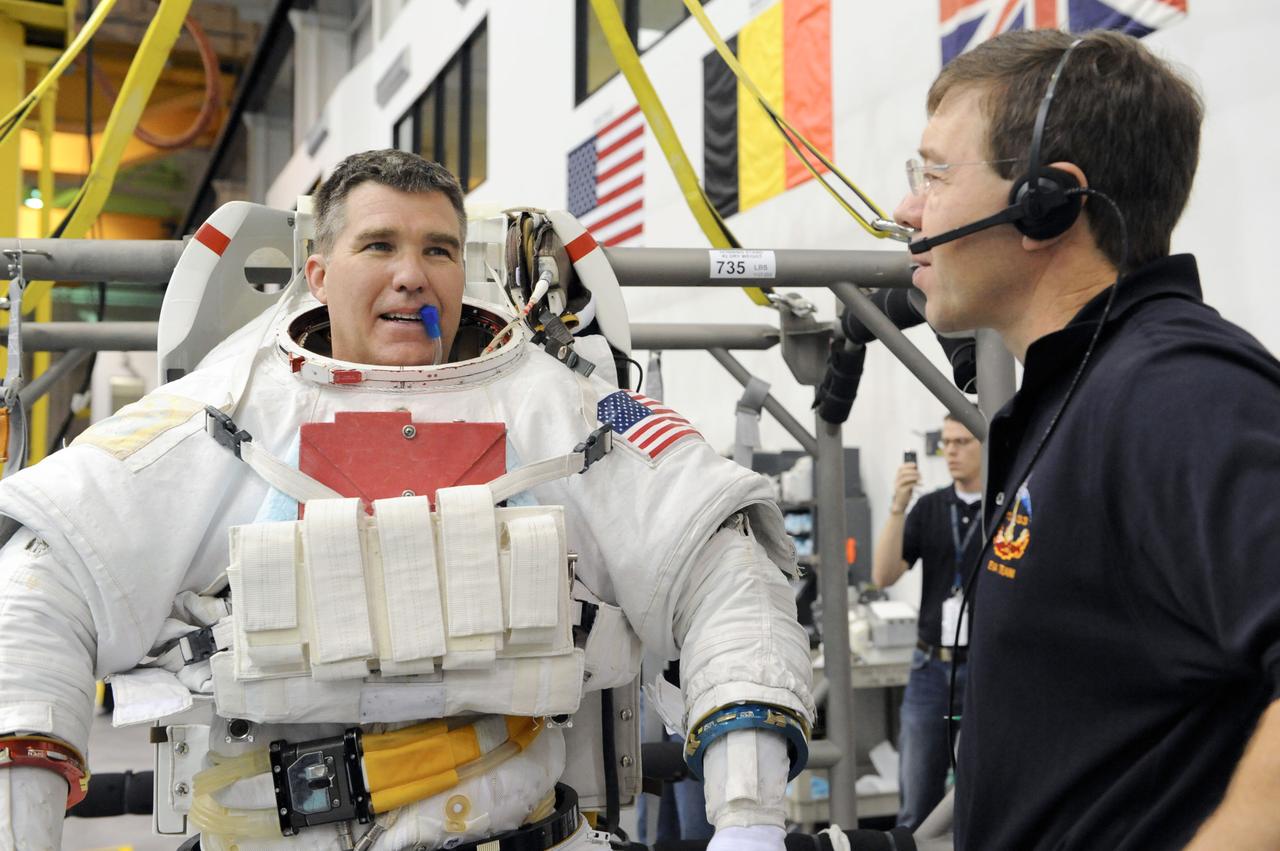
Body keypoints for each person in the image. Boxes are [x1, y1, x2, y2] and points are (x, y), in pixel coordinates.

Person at [0, 150, 814, 851]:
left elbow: (726, 568)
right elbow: (37, 591)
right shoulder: (222, 414)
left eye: (439, 249)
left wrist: (749, 819)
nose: (411, 274)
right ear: (317, 271)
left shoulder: (564, 408)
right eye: (379, 244)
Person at [893, 28, 1280, 850]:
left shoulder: (1177, 391)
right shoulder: (1079, 395)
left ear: (1048, 202)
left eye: (933, 174)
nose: (906, 210)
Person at [870, 415, 982, 830]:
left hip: (989, 668)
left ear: (986, 443)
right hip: (931, 668)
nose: (950, 450)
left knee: (984, 797)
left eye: (962, 442)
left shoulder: (1008, 508)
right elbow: (883, 575)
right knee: (918, 804)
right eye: (946, 442)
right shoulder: (931, 507)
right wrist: (898, 505)